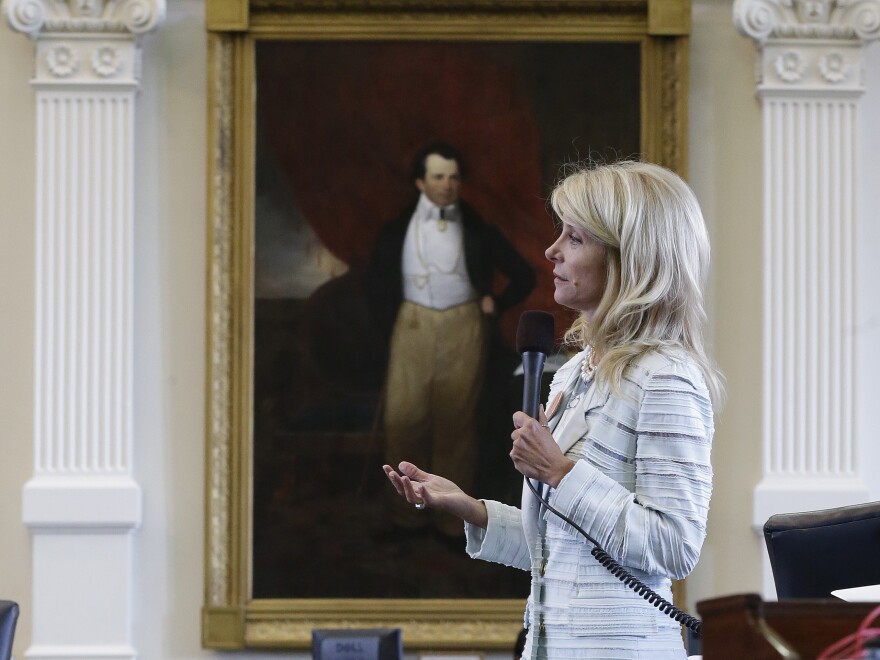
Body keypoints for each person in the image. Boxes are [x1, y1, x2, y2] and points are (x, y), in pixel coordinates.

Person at [383, 160, 723, 658]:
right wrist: (470, 509)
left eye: (575, 238)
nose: (551, 251)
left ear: (630, 259)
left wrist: (561, 473)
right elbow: (558, 553)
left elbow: (675, 545)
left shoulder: (667, 378)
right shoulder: (573, 373)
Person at [369, 142, 535, 539]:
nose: (447, 185)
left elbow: (524, 274)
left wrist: (497, 300)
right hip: (411, 325)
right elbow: (376, 285)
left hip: (464, 326)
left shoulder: (477, 228)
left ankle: (449, 521)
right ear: (420, 182)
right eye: (438, 177)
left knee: (455, 424)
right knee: (402, 419)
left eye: (453, 177)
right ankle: (404, 516)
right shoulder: (396, 230)